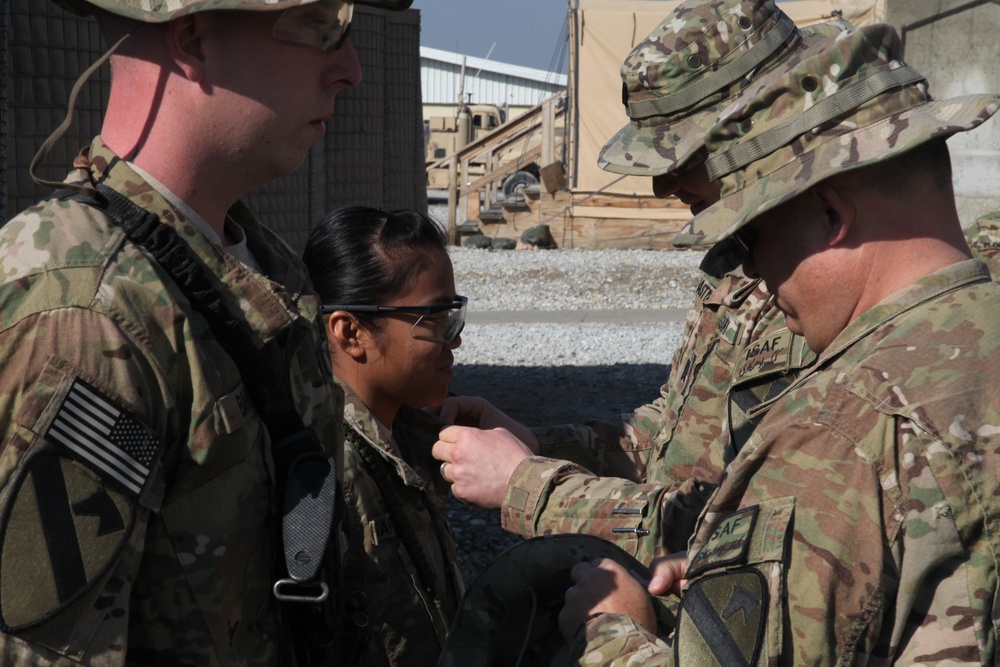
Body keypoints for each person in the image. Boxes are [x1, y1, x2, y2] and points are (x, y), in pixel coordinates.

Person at [560, 22, 1000, 664]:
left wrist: (611, 630)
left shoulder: (841, 426)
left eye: (751, 240)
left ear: (831, 215)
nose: (754, 273)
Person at [0, 0, 411, 664]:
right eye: (319, 25)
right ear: (191, 35)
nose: (351, 69)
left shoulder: (242, 260)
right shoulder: (89, 317)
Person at [432, 0, 840, 563]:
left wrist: (528, 484)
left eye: (683, 157)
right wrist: (536, 442)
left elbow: (750, 531)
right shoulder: (735, 262)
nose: (662, 189)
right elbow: (669, 436)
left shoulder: (834, 288)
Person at [301, 206, 465, 665]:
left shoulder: (409, 437)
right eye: (433, 320)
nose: (455, 341)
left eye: (453, 314)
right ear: (351, 332)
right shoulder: (328, 467)